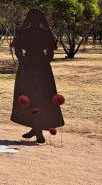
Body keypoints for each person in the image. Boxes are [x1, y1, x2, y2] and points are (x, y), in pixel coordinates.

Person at [11, 8, 64, 143]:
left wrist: (45, 61)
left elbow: (51, 51)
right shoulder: (24, 32)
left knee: (42, 97)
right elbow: (17, 49)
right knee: (29, 96)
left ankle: (38, 129)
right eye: (32, 19)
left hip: (42, 69)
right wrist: (24, 61)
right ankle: (36, 128)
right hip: (28, 67)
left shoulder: (45, 33)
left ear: (40, 21)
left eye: (37, 19)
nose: (35, 22)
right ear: (29, 19)